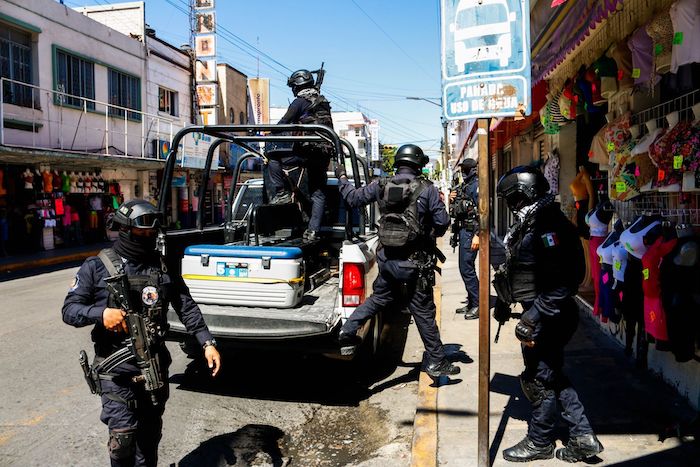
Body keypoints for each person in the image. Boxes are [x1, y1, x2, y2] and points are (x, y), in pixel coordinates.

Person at [62, 199, 221, 467]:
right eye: (142, 232)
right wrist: (101, 314)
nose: (148, 237)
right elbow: (69, 309)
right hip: (116, 372)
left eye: (152, 233)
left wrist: (207, 342)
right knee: (123, 441)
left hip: (154, 370)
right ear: (125, 230)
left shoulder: (162, 267)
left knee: (148, 442)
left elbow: (186, 306)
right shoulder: (97, 266)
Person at [493, 166, 603, 463]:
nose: (510, 204)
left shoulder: (548, 226)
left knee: (539, 379)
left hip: (550, 316)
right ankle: (582, 438)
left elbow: (564, 282)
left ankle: (540, 441)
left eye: (512, 197)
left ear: (524, 194)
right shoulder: (532, 222)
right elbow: (521, 267)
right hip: (540, 313)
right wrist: (505, 300)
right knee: (551, 374)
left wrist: (533, 317)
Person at [334, 144, 459, 378]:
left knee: (379, 299)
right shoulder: (427, 189)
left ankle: (348, 331)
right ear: (419, 164)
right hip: (414, 263)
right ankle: (436, 361)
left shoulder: (380, 185)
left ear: (398, 162)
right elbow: (442, 223)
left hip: (387, 260)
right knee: (423, 311)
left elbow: (351, 198)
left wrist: (342, 176)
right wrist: (428, 231)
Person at [268, 69, 334, 241]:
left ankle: (281, 192)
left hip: (306, 152)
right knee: (318, 193)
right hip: (323, 154)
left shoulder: (299, 102)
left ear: (296, 87)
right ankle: (313, 231)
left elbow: (282, 124)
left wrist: (268, 134)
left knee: (273, 155)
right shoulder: (323, 102)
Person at [449, 158, 480, 319]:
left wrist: (478, 235)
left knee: (466, 268)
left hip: (471, 232)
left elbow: (483, 212)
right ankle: (472, 301)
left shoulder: (477, 185)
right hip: (463, 231)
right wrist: (451, 199)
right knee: (465, 268)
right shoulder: (465, 185)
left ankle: (477, 304)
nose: (463, 171)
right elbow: (457, 208)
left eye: (466, 169)